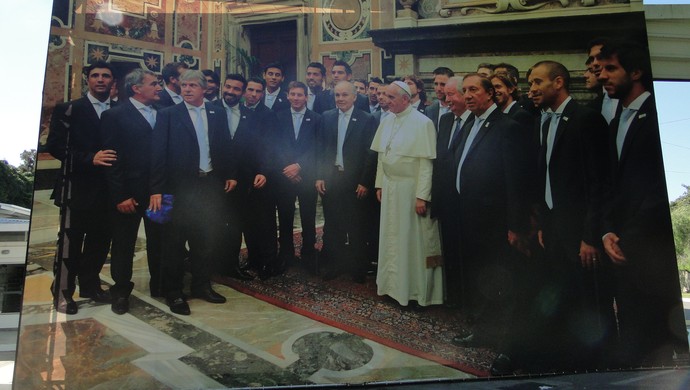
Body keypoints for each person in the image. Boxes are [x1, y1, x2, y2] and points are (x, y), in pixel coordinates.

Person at [598, 40, 689, 367]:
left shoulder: (657, 114)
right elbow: (610, 184)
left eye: (611, 68)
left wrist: (629, 239)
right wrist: (607, 232)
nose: (602, 75)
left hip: (654, 249)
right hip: (622, 247)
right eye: (601, 68)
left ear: (635, 71)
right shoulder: (615, 121)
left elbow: (658, 188)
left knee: (664, 344)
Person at [526, 60, 615, 371]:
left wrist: (590, 237)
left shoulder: (586, 120)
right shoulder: (544, 121)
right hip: (553, 230)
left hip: (582, 234)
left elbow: (598, 183)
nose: (532, 89)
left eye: (537, 82)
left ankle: (598, 368)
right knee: (564, 299)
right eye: (530, 83)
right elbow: (547, 175)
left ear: (559, 82)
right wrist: (544, 224)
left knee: (589, 304)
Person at [450, 74, 531, 348]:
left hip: (494, 221)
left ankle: (502, 338)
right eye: (464, 90)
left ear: (490, 94)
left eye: (474, 89)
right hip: (469, 216)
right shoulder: (471, 122)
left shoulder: (507, 126)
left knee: (498, 278)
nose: (468, 95)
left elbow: (516, 180)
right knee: (479, 276)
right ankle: (483, 329)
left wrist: (515, 225)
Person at [149, 70, 235, 315]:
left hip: (209, 185)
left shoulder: (217, 113)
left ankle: (201, 286)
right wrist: (156, 189)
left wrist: (230, 174)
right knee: (174, 243)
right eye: (184, 85)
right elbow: (158, 154)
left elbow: (224, 146)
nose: (186, 89)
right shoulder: (168, 115)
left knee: (205, 241)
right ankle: (174, 292)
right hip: (179, 188)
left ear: (204, 89)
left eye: (192, 86)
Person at [47, 61, 117, 314]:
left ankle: (90, 285)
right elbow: (55, 146)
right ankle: (62, 293)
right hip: (76, 188)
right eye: (95, 75)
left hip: (109, 190)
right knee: (70, 244)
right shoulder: (70, 109)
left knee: (100, 242)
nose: (100, 79)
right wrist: (90, 158)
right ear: (87, 80)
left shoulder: (119, 110)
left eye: (106, 76)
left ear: (113, 82)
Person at [371, 81, 443, 307]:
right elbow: (382, 157)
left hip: (410, 191)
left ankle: (414, 293)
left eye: (391, 97)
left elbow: (426, 164)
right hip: (391, 189)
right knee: (391, 239)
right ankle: (392, 287)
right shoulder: (387, 119)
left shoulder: (423, 123)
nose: (386, 101)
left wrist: (422, 196)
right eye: (385, 96)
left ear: (406, 98)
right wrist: (380, 184)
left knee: (411, 242)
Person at [100, 69, 165, 314]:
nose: (159, 88)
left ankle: (159, 284)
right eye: (153, 84)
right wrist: (120, 195)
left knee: (160, 239)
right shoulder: (114, 116)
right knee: (124, 243)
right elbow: (111, 159)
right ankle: (121, 291)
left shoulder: (163, 114)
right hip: (129, 194)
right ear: (137, 88)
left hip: (159, 193)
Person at [316, 81, 377, 283]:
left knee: (356, 224)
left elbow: (370, 154)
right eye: (337, 95)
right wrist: (320, 175)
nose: (340, 99)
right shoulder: (327, 117)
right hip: (332, 179)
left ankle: (357, 267)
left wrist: (365, 182)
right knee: (333, 225)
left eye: (344, 95)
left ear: (354, 97)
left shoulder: (367, 120)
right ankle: (336, 264)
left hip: (355, 182)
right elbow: (321, 149)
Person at [219, 74, 279, 280]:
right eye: (250, 90)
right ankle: (225, 262)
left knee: (260, 222)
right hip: (220, 177)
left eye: (257, 91)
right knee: (228, 222)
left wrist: (264, 171)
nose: (252, 94)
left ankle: (265, 262)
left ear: (262, 94)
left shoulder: (259, 115)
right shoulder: (213, 109)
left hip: (252, 178)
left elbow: (266, 148)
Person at [431, 76, 473, 308]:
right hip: (446, 200)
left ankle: (467, 299)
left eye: (451, 95)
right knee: (449, 251)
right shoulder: (446, 120)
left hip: (467, 202)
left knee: (467, 254)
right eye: (445, 96)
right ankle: (454, 297)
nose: (446, 100)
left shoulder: (475, 123)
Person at [273, 81, 322, 270]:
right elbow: (276, 145)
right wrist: (288, 169)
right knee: (285, 216)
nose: (296, 98)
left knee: (308, 216)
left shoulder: (316, 118)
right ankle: (286, 254)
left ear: (306, 97)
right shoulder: (278, 117)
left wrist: (299, 166)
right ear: (287, 96)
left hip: (306, 175)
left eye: (300, 94)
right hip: (285, 176)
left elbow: (318, 147)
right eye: (292, 94)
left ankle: (309, 254)